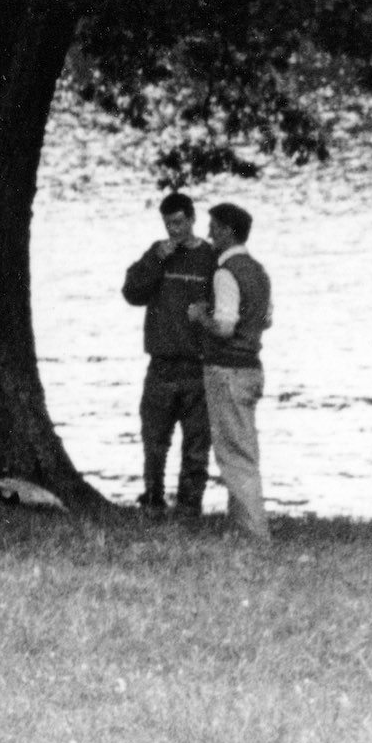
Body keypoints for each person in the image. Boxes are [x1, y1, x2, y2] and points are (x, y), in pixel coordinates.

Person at [121, 191, 217, 519]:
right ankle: (153, 500)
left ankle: (190, 508)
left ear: (192, 219)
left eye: (178, 222)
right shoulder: (158, 253)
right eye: (168, 224)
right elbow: (131, 293)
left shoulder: (209, 257)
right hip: (161, 364)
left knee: (196, 444)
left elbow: (225, 303)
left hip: (197, 366)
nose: (174, 230)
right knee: (154, 441)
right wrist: (155, 260)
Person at [196, 200, 272, 541]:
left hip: (227, 370)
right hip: (252, 369)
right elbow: (266, 319)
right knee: (243, 449)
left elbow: (225, 327)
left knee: (234, 455)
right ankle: (241, 527)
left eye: (213, 226)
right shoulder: (258, 270)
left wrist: (200, 318)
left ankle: (254, 535)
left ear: (228, 231)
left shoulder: (225, 272)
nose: (208, 232)